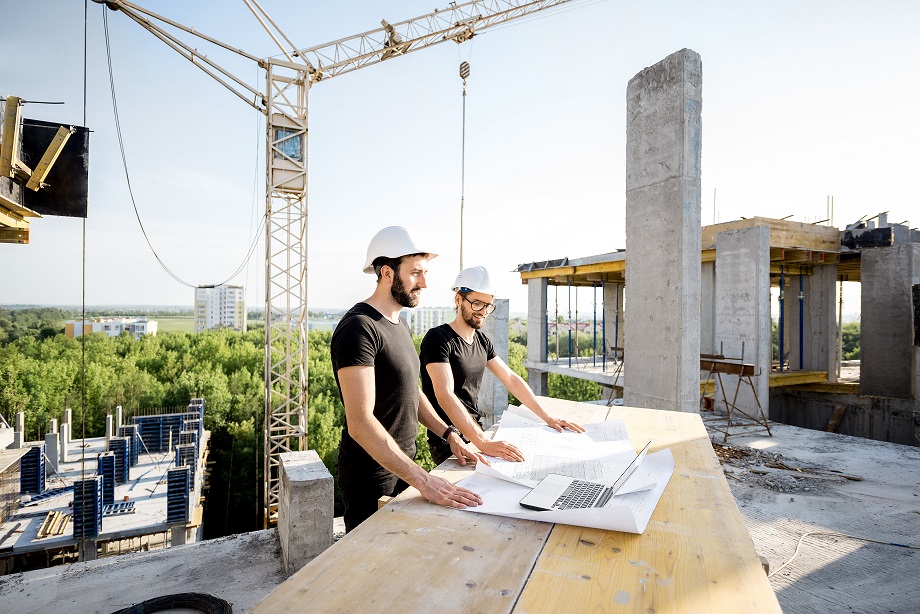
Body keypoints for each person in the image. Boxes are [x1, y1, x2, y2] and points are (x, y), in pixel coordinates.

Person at [331, 226, 486, 532]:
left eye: (424, 273)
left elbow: (409, 392)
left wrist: (449, 434)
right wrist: (424, 480)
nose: (424, 283)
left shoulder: (398, 324)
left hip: (405, 469)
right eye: (415, 273)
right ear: (387, 272)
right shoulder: (359, 328)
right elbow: (360, 423)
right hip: (371, 479)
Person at [420, 266, 585, 466]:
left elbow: (511, 379)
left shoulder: (481, 341)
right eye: (477, 304)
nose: (483, 312)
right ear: (458, 300)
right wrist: (482, 442)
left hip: (475, 433)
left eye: (488, 306)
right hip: (449, 441)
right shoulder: (438, 339)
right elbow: (444, 395)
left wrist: (548, 418)